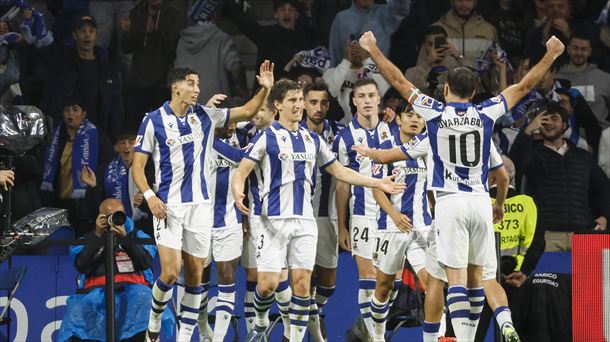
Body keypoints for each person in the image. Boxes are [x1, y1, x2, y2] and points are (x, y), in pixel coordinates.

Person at [359, 29, 565, 341]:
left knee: (453, 278)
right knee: (480, 277)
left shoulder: (434, 111)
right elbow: (523, 85)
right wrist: (550, 55)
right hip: (481, 202)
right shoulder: (487, 111)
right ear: (473, 93)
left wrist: (373, 49)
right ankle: (496, 325)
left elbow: (399, 80)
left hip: (449, 202)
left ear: (445, 89)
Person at [230, 78, 404, 342]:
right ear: (278, 105)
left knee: (301, 285)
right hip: (271, 221)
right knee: (268, 285)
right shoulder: (267, 137)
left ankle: (294, 338)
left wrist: (376, 181)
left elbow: (339, 171)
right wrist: (237, 189)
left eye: (300, 100)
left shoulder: (312, 139)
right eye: (293, 100)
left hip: (305, 222)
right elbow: (242, 170)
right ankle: (262, 321)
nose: (299, 105)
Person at [132, 62, 274, 342]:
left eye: (198, 84)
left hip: (201, 210)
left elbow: (246, 111)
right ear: (176, 87)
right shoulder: (153, 119)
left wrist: (266, 89)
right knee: (171, 273)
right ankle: (154, 321)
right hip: (168, 208)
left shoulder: (205, 116)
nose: (198, 89)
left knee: (197, 280)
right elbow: (138, 166)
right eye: (192, 84)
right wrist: (149, 196)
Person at [58, 198, 174, 342]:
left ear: (125, 214)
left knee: (145, 298)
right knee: (76, 309)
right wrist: (97, 237)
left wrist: (124, 239)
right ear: (99, 217)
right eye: (108, 216)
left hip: (133, 290)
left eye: (118, 215)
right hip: (94, 293)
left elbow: (145, 262)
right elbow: (81, 265)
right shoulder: (88, 238)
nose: (113, 219)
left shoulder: (138, 235)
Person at [332, 77, 394, 339]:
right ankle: (376, 336)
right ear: (354, 101)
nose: (367, 101)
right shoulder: (344, 137)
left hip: (391, 218)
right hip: (362, 215)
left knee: (387, 283)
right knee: (367, 276)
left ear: (379, 99)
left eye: (371, 95)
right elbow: (342, 185)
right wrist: (342, 225)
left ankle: (368, 328)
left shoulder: (393, 131)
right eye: (362, 96)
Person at [509, 103, 610, 252]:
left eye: (554, 118)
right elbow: (515, 162)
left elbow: (603, 188)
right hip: (547, 237)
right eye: (544, 120)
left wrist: (605, 216)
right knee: (547, 276)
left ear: (565, 125)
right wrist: (528, 129)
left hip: (583, 234)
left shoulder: (583, 157)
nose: (548, 123)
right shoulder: (533, 156)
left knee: (587, 276)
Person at [369, 106, 431, 342]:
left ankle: (440, 335)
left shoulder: (429, 151)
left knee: (431, 283)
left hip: (421, 228)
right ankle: (376, 336)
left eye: (419, 116)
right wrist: (394, 215)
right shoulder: (387, 150)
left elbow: (431, 190)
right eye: (409, 115)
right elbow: (376, 188)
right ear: (399, 119)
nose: (414, 120)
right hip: (391, 227)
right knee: (384, 286)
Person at [475, 155, 540, 341]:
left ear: (492, 177)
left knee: (473, 334)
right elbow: (538, 242)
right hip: (515, 280)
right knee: (513, 331)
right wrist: (524, 271)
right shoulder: (528, 203)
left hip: (481, 280)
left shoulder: (479, 202)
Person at [300, 82, 345, 340]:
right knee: (303, 281)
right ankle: (314, 334)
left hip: (328, 217)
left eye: (323, 103)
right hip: (300, 216)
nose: (318, 108)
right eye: (313, 102)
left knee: (327, 285)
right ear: (304, 103)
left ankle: (309, 315)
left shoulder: (338, 133)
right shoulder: (292, 132)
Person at [197, 123, 247, 342]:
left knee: (227, 278)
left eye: (234, 122)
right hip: (200, 223)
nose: (231, 126)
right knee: (199, 282)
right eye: (226, 121)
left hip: (230, 221)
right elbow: (239, 157)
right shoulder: (200, 141)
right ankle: (201, 326)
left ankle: (218, 338)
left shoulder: (243, 138)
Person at [38, 14, 124, 140]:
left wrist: (115, 138)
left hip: (99, 133)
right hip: (67, 134)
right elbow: (51, 97)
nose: (87, 35)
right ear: (74, 35)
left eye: (91, 31)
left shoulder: (108, 70)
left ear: (96, 35)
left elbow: (116, 106)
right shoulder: (62, 65)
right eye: (82, 31)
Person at [40, 98, 113, 237]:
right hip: (58, 203)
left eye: (75, 109)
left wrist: (94, 184)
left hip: (86, 204)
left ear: (84, 113)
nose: (70, 114)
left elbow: (107, 167)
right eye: (66, 110)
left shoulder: (98, 137)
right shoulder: (54, 139)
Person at [121, 0, 186, 132]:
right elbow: (126, 47)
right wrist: (128, 32)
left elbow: (172, 50)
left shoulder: (174, 14)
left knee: (163, 131)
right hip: (137, 81)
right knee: (134, 130)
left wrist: (154, 32)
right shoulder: (137, 12)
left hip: (161, 83)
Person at [224, 0, 314, 90]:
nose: (287, 13)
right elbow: (245, 23)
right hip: (266, 95)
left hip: (292, 95)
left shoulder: (305, 40)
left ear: (296, 14)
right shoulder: (266, 35)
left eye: (291, 10)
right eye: (282, 10)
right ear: (276, 14)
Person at [174, 4, 249, 107]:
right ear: (215, 15)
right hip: (215, 108)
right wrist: (244, 94)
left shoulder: (181, 41)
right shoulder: (221, 39)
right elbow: (236, 68)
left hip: (186, 106)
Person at [323, 40, 389, 123]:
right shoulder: (331, 72)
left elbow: (385, 94)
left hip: (370, 126)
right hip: (340, 126)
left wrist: (367, 61)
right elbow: (330, 93)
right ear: (345, 49)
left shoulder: (378, 74)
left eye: (360, 47)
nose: (356, 49)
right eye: (352, 46)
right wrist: (346, 61)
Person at [328, 0, 411, 66]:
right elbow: (334, 54)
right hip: (346, 80)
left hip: (377, 79)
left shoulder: (385, 14)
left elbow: (402, 8)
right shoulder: (341, 18)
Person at [557, 32, 610, 128]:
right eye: (575, 48)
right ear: (568, 49)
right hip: (565, 136)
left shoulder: (605, 78)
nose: (579, 53)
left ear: (589, 52)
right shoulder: (556, 78)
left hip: (601, 137)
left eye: (583, 49)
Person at [434, 0, 497, 67]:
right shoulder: (436, 29)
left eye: (468, 0)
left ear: (475, 2)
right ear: (452, 1)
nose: (464, 4)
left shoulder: (489, 31)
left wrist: (459, 56)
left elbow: (495, 71)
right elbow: (423, 68)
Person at [405, 25, 461, 96]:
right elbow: (409, 91)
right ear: (425, 45)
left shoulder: (454, 67)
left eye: (438, 44)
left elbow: (471, 82)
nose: (434, 48)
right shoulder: (412, 72)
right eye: (430, 44)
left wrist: (459, 56)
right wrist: (427, 64)